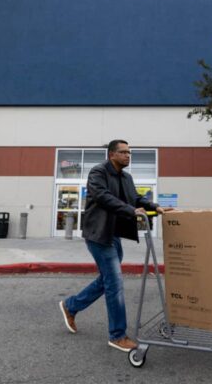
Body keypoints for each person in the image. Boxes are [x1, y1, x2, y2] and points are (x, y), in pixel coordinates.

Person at [59, 139, 170, 352]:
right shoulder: (98, 172)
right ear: (112, 154)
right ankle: (117, 335)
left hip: (114, 234)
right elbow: (103, 197)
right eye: (124, 152)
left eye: (129, 152)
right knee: (115, 282)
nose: (128, 155)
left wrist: (154, 206)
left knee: (108, 279)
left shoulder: (126, 177)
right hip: (98, 234)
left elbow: (135, 198)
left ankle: (71, 306)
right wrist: (130, 211)